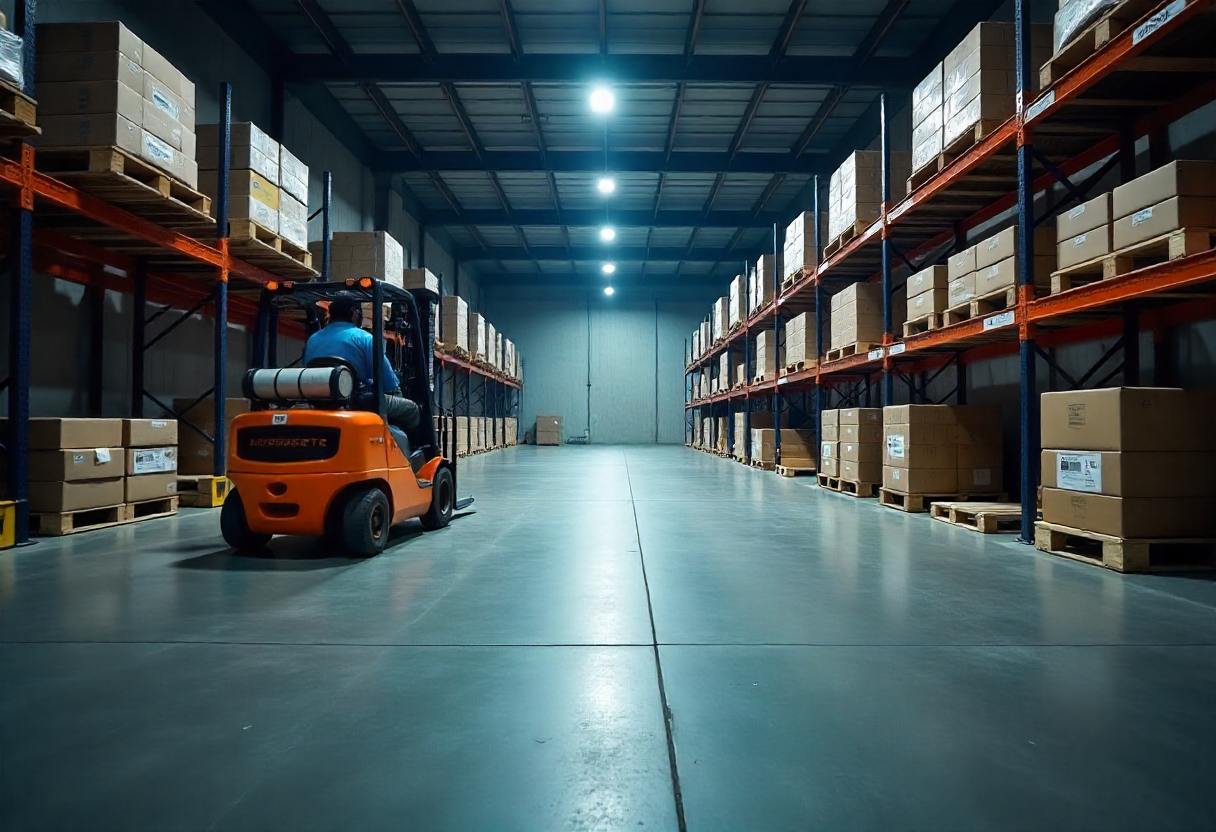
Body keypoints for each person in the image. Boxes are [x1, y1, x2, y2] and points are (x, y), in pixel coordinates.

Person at [302, 293, 421, 434]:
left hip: (318, 400)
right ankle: (399, 443)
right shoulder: (364, 338)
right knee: (412, 410)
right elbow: (389, 384)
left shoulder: (313, 339)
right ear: (354, 313)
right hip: (355, 401)